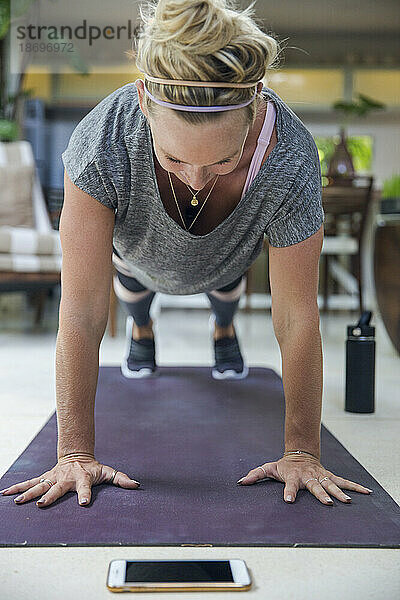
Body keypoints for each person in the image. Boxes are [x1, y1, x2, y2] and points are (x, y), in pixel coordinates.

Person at [1, 0, 373, 510]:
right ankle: (142, 329)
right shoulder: (101, 141)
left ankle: (224, 328)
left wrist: (303, 452)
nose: (196, 180)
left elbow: (296, 313)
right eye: (174, 158)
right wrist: (74, 454)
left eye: (224, 159)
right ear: (143, 103)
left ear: (255, 107)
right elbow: (83, 311)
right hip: (138, 256)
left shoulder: (291, 155)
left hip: (228, 258)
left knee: (224, 287)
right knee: (133, 288)